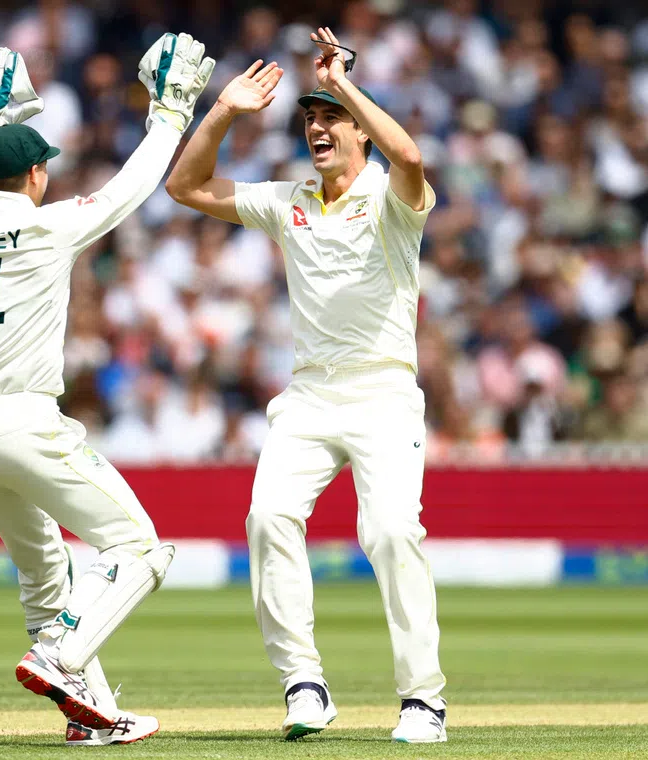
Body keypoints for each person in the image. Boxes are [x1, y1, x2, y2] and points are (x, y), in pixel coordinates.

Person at [0, 38, 214, 747]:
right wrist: (170, 113)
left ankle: (93, 718)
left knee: (48, 575)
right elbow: (130, 190)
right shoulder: (48, 227)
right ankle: (59, 657)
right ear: (38, 174)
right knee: (138, 547)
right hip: (25, 425)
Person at [166, 28, 447, 744]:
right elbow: (186, 187)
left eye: (330, 119)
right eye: (309, 120)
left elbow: (410, 153)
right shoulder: (288, 199)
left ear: (359, 129)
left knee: (390, 533)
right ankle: (304, 683)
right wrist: (224, 111)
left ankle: (423, 702)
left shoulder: (391, 197)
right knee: (267, 519)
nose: (316, 129)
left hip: (383, 392)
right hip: (309, 395)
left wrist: (345, 83)